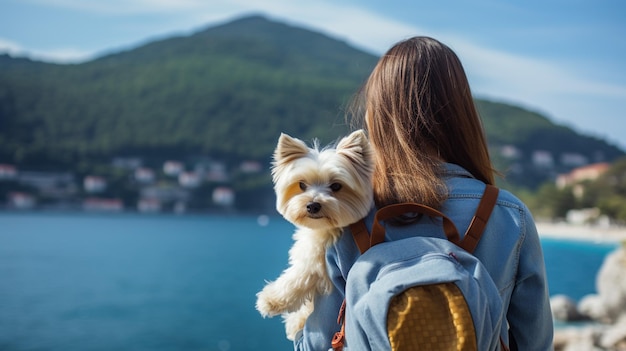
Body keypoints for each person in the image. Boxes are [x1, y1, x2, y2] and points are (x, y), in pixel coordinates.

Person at [293, 36, 553, 350]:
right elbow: (534, 342)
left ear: (377, 116)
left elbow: (319, 344)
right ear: (462, 116)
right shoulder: (509, 215)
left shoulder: (348, 213)